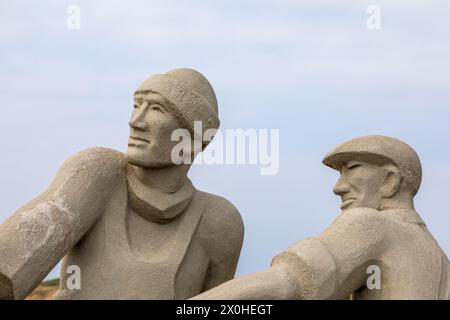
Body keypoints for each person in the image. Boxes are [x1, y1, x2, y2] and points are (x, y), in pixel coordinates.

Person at [0, 68, 244, 300]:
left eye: (157, 109)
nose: (135, 121)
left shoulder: (219, 223)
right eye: (137, 105)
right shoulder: (98, 173)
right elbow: (11, 264)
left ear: (194, 138)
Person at [193, 135, 449, 300]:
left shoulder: (373, 225)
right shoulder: (437, 257)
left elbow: (290, 283)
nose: (338, 187)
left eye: (352, 170)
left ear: (390, 180)